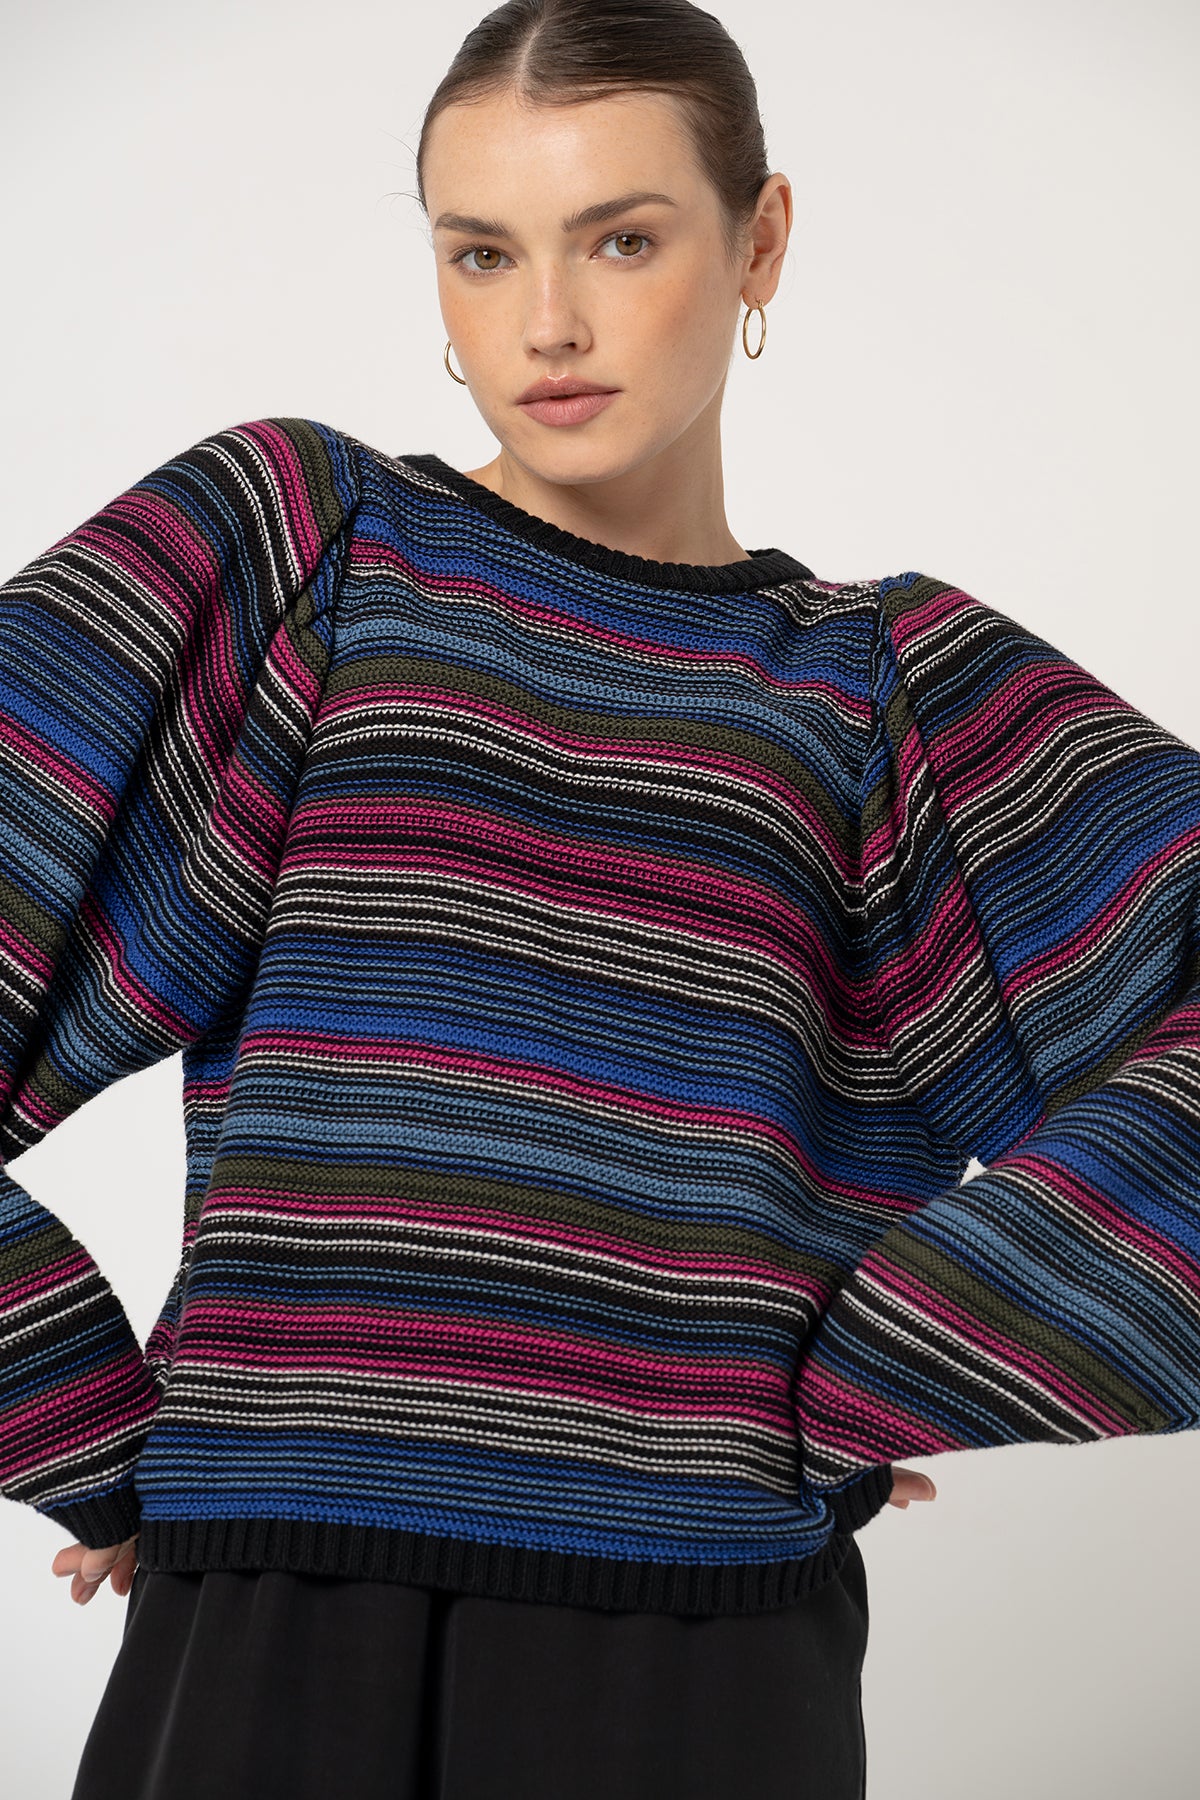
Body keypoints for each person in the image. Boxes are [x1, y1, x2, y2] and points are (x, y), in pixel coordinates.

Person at [1, 1, 1196, 1795]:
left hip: (700, 1649)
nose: (546, 323)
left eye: (622, 240)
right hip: (272, 1610)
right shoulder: (305, 554)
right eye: (482, 252)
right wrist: (84, 1425)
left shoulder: (889, 692)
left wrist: (912, 1348)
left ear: (760, 240)